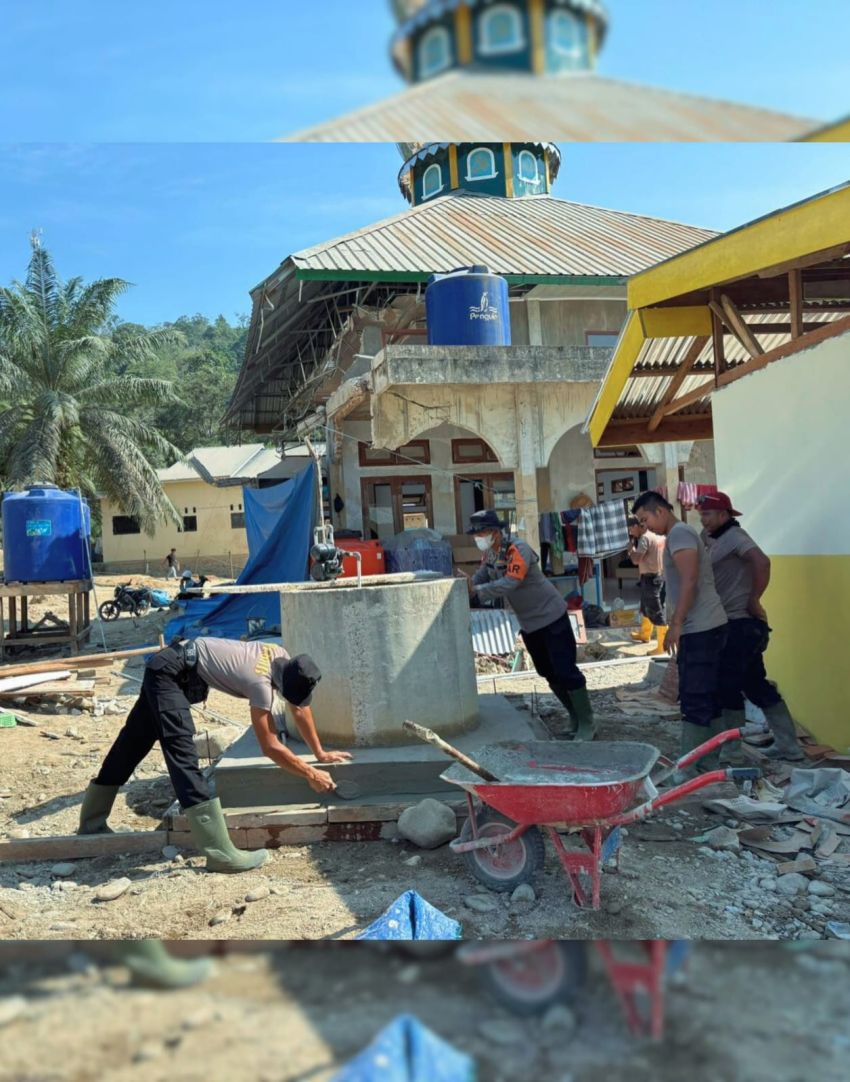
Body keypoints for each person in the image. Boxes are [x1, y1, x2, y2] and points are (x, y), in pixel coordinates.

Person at [79, 639, 352, 872]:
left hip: (169, 664)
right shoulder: (260, 684)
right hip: (170, 674)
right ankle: (219, 853)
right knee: (182, 754)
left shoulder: (279, 654)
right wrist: (310, 772)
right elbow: (269, 746)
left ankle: (92, 823)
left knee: (133, 742)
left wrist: (320, 752)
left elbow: (299, 709)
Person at [462, 509, 595, 740]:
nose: (478, 538)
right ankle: (574, 716)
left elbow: (511, 581)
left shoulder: (518, 549)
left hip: (552, 617)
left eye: (481, 533)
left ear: (494, 532)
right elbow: (480, 578)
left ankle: (587, 723)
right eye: (476, 534)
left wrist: (477, 592)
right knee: (547, 671)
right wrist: (466, 586)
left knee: (565, 670)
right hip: (529, 622)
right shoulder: (491, 556)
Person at [697, 492, 804, 761]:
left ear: (724, 514)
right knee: (755, 684)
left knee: (728, 686)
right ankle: (788, 746)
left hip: (740, 624)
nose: (704, 519)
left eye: (708, 514)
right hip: (724, 621)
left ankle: (732, 751)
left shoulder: (735, 536)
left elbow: (762, 562)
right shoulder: (709, 536)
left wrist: (754, 598)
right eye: (702, 514)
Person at [631, 492, 728, 771]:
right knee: (708, 694)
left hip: (702, 627)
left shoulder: (680, 534)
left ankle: (687, 769)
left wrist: (676, 624)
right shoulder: (677, 534)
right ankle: (709, 762)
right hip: (703, 626)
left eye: (645, 518)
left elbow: (690, 580)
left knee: (696, 697)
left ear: (660, 511)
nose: (645, 525)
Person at [627, 516, 667, 654]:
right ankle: (645, 634)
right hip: (656, 576)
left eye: (630, 530)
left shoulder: (645, 539)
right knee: (645, 606)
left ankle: (662, 646)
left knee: (656, 610)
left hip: (651, 578)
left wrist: (630, 550)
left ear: (636, 526)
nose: (630, 533)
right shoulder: (657, 536)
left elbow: (636, 560)